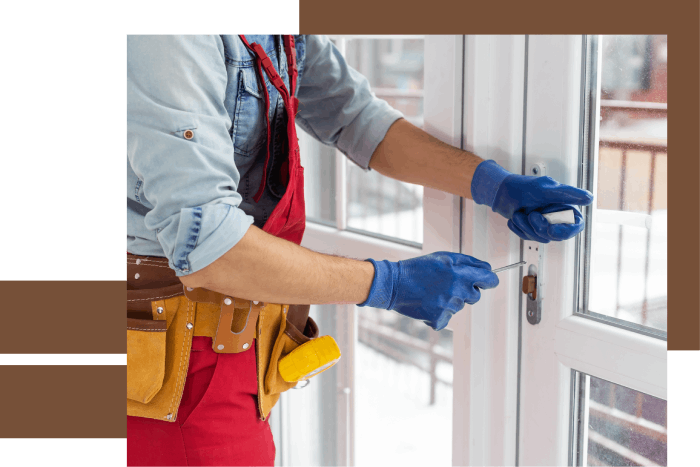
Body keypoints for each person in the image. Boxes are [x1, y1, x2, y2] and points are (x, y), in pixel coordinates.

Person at [126, 34, 593, 467]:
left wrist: (493, 185)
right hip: (174, 359)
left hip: (234, 346)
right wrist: (389, 284)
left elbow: (355, 117)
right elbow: (209, 245)